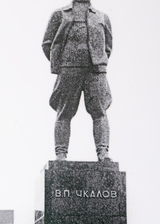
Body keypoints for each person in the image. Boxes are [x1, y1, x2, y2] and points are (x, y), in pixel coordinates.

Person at [42, 0, 113, 162]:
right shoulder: (59, 14)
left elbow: (107, 47)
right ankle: (61, 154)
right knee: (64, 112)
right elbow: (47, 44)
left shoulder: (103, 17)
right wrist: (63, 63)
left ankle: (103, 153)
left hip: (95, 71)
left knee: (100, 112)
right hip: (69, 69)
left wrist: (97, 61)